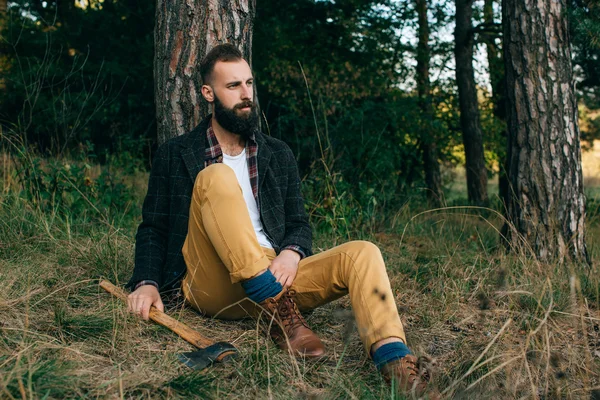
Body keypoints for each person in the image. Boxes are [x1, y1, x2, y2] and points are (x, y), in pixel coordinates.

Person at [126, 43, 436, 397]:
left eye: (249, 84)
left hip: (276, 274)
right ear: (208, 93)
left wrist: (292, 251)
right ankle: (278, 309)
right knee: (216, 177)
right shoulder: (175, 153)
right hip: (211, 280)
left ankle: (397, 367)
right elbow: (153, 227)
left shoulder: (277, 153)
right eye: (233, 87)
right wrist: (147, 281)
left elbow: (299, 224)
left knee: (362, 252)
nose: (246, 95)